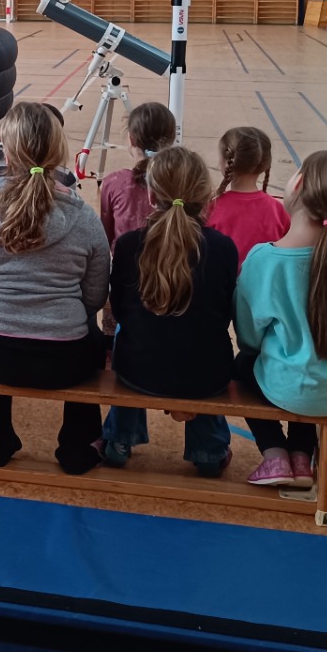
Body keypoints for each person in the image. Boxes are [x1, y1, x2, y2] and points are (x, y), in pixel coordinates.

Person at [0, 101, 111, 474]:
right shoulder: (83, 217)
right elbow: (95, 295)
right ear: (59, 153)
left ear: (7, 154)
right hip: (67, 359)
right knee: (91, 338)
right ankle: (77, 444)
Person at [234, 149, 327, 490]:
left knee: (246, 366)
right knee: (308, 367)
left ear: (297, 184)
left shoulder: (263, 259)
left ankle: (274, 453)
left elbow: (249, 339)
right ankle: (302, 454)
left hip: (291, 388)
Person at [99, 147, 239, 476]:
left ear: (151, 195)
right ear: (205, 197)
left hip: (138, 371)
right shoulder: (223, 247)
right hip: (206, 375)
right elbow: (223, 315)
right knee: (203, 341)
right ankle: (209, 450)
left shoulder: (129, 245)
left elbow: (120, 310)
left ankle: (119, 438)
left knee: (127, 334)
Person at [205, 125, 290, 264]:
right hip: (264, 278)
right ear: (265, 163)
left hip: (222, 278)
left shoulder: (210, 208)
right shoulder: (278, 211)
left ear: (226, 162)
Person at [97, 102, 176, 243]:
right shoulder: (184, 181)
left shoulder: (114, 183)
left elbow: (105, 238)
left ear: (131, 140)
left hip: (126, 256)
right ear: (172, 139)